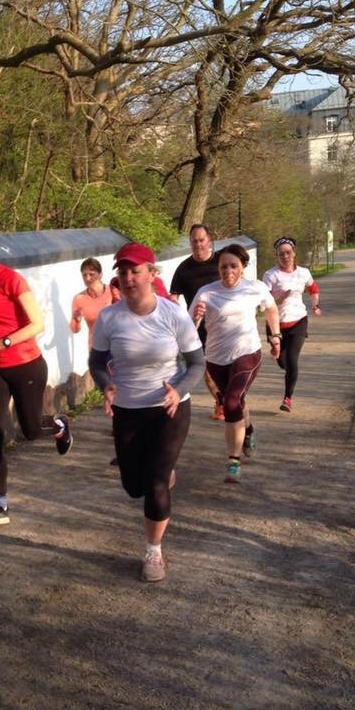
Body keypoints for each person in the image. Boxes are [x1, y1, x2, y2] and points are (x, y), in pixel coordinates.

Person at [89, 243, 205, 582]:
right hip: (127, 409)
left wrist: (178, 390)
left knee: (155, 484)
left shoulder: (173, 315)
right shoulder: (110, 317)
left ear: (152, 274)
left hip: (169, 408)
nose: (128, 278)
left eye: (135, 271)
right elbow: (97, 362)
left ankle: (153, 551)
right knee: (133, 485)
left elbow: (196, 363)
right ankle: (163, 472)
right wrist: (105, 385)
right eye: (122, 272)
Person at [0, 224, 73, 527]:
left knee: (31, 430)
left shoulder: (11, 280)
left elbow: (38, 323)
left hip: (25, 364)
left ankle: (59, 424)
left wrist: (3, 342)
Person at [189, 243, 281, 484]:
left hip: (247, 353)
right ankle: (248, 431)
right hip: (216, 359)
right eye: (223, 267)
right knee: (236, 402)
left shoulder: (254, 288)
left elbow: (272, 309)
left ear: (242, 267)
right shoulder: (206, 292)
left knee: (230, 402)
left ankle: (233, 461)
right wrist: (197, 317)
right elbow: (189, 327)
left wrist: (276, 336)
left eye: (233, 266)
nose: (228, 271)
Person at [170, 223, 224, 420]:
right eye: (194, 241)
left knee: (226, 366)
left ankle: (230, 398)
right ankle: (221, 402)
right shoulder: (184, 269)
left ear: (209, 240)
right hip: (198, 326)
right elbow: (173, 298)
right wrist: (178, 320)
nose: (198, 244)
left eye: (201, 240)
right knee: (206, 368)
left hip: (224, 324)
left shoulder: (221, 262)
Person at [263, 237, 321, 412]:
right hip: (276, 324)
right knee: (283, 363)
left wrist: (315, 305)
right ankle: (278, 352)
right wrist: (278, 300)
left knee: (292, 360)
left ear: (294, 253)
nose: (285, 256)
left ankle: (287, 398)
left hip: (298, 321)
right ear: (277, 256)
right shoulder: (270, 275)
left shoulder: (303, 273)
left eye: (288, 252)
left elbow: (313, 288)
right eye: (281, 254)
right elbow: (263, 303)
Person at [69, 257, 111, 347]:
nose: (87, 278)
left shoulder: (113, 291)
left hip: (117, 347)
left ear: (100, 274)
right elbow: (74, 330)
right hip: (96, 349)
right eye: (84, 275)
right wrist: (76, 320)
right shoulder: (79, 299)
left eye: (92, 274)